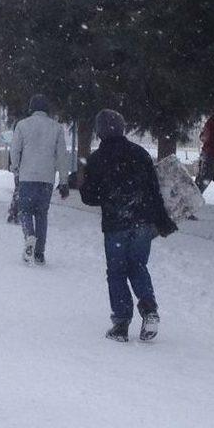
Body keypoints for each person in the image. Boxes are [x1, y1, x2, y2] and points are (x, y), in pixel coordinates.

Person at [80, 109, 177, 343]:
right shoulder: (140, 153)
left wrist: (88, 185)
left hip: (116, 224)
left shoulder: (96, 159)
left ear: (100, 131)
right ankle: (149, 310)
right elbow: (154, 191)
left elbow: (89, 197)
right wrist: (162, 220)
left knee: (116, 272)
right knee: (138, 266)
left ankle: (121, 323)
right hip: (143, 222)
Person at [10, 94, 69, 265]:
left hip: (27, 176)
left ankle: (29, 236)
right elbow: (62, 156)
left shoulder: (22, 125)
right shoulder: (56, 128)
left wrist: (15, 169)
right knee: (42, 214)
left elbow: (15, 150)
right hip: (47, 178)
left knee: (26, 211)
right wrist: (63, 181)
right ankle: (39, 252)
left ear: (32, 108)